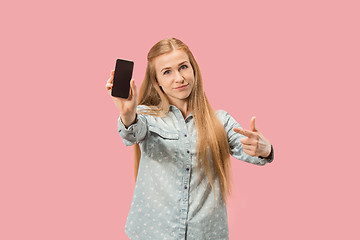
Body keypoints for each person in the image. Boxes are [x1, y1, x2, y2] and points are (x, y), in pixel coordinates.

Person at [105, 38, 274, 240]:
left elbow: (251, 151)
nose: (179, 78)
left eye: (183, 67)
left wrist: (265, 149)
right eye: (167, 72)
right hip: (152, 232)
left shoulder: (220, 121)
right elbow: (131, 133)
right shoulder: (146, 117)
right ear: (156, 80)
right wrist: (127, 114)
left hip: (205, 234)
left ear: (193, 69)